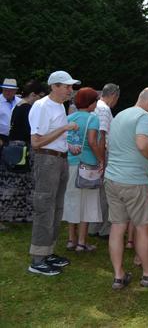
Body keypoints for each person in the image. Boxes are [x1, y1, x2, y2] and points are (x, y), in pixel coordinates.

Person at [104, 88, 148, 290]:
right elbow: (142, 144)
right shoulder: (143, 116)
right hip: (134, 181)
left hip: (112, 178)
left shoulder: (120, 115)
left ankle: (118, 275)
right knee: (143, 227)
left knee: (117, 227)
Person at [27, 70, 81, 276]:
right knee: (45, 208)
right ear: (54, 86)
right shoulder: (41, 106)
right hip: (47, 160)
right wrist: (64, 129)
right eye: (67, 86)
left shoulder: (58, 105)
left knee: (57, 208)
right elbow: (37, 141)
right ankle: (37, 259)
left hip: (59, 159)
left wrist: (67, 145)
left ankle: (47, 252)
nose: (70, 90)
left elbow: (52, 136)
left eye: (71, 86)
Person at [63, 87, 105, 253]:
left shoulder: (68, 117)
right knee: (87, 202)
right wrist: (102, 159)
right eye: (95, 100)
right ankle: (81, 242)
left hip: (70, 163)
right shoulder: (93, 119)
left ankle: (70, 239)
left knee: (71, 200)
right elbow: (93, 142)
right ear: (91, 102)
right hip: (87, 165)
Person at [0, 80, 46, 222]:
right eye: (40, 96)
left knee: (15, 183)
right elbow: (30, 131)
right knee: (19, 183)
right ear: (33, 94)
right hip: (22, 148)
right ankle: (13, 215)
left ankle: (16, 215)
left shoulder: (19, 104)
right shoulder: (26, 108)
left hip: (14, 146)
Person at [88, 83, 120, 238]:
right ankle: (102, 229)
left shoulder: (97, 107)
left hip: (96, 154)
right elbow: (101, 135)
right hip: (102, 153)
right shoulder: (104, 109)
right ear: (113, 95)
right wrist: (101, 160)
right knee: (104, 193)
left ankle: (94, 227)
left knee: (97, 192)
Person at [0, 78, 21, 149]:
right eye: (5, 90)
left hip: (16, 138)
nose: (8, 92)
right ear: (2, 89)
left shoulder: (20, 102)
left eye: (11, 90)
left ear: (15, 91)